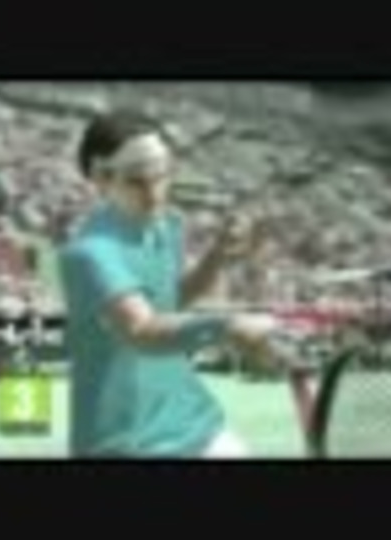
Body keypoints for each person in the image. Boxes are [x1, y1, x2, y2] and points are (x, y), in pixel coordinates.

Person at [60, 109, 280, 459]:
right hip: (124, 443)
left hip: (195, 422)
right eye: (136, 181)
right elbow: (141, 330)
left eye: (161, 176)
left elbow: (170, 302)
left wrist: (217, 256)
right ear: (101, 178)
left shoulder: (168, 225)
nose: (155, 194)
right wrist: (228, 326)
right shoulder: (91, 253)